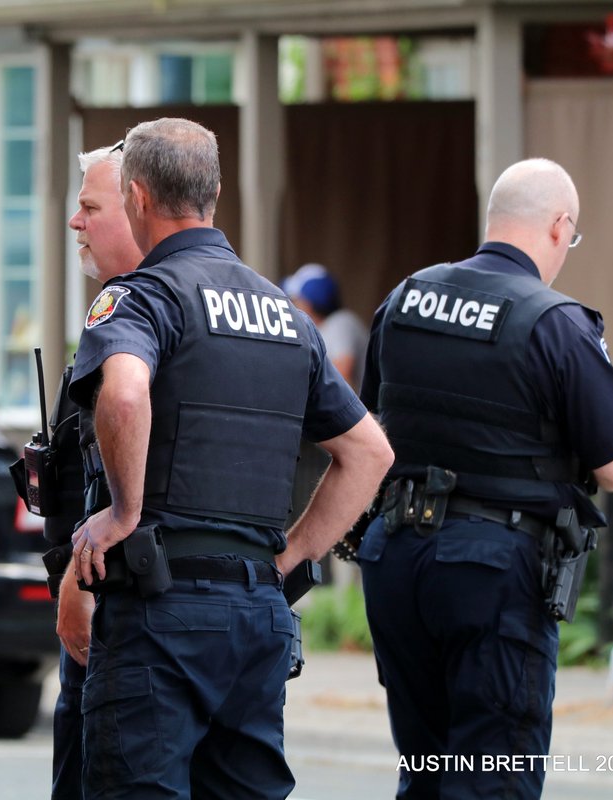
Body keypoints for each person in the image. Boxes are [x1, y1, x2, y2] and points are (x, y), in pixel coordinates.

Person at [67, 117, 393, 798]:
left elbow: (123, 396)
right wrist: (293, 555)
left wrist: (123, 512)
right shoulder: (286, 314)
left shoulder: (142, 298)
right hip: (257, 616)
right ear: (212, 193)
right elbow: (368, 451)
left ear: (137, 197)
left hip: (161, 611)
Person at [356, 158, 613, 799]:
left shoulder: (405, 298)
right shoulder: (553, 321)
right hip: (491, 571)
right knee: (494, 777)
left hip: (397, 559)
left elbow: (372, 429)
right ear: (558, 226)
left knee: (428, 770)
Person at [40, 142, 144, 799]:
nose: (74, 223)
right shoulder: (118, 311)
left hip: (120, 597)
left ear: (138, 210)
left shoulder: (136, 313)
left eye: (89, 207)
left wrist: (80, 574)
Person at [282, 262, 368, 390]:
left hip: (365, 408)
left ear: (309, 303)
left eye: (296, 300)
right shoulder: (319, 329)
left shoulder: (341, 322)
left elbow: (341, 376)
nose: (292, 305)